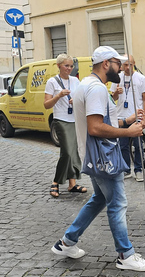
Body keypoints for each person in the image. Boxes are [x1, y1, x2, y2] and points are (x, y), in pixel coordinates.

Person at [51, 46, 145, 272]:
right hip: (103, 157)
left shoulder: (87, 85)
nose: (121, 67)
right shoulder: (97, 89)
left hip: (92, 155)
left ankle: (67, 242)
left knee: (99, 199)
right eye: (118, 63)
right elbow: (96, 128)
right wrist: (129, 133)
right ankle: (125, 255)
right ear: (106, 63)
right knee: (117, 203)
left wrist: (127, 121)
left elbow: (104, 122)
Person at [44, 54, 86, 197]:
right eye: (66, 66)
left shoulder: (75, 81)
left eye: (71, 66)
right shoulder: (52, 82)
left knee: (74, 151)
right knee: (67, 152)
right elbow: (46, 104)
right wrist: (59, 96)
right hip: (61, 119)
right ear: (59, 66)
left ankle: (72, 184)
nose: (69, 68)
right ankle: (56, 182)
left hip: (75, 119)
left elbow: (82, 98)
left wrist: (76, 100)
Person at [111, 55, 145, 182]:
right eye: (125, 65)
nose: (127, 67)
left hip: (136, 116)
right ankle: (126, 169)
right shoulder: (117, 78)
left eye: (130, 64)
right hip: (121, 116)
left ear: (134, 64)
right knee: (123, 146)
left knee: (138, 145)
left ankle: (138, 170)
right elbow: (113, 99)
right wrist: (117, 93)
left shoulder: (140, 78)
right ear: (121, 65)